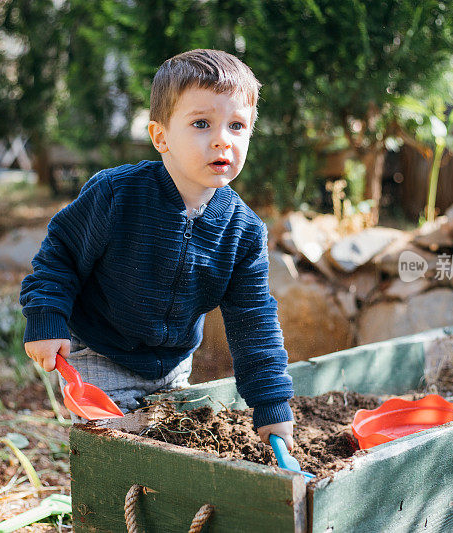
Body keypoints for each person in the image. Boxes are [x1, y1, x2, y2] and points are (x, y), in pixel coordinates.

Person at [20, 49, 295, 448]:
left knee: (172, 449)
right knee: (122, 449)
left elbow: (253, 320)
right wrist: (46, 315)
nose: (222, 139)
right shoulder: (117, 195)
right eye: (202, 123)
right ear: (160, 136)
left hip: (173, 364)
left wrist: (272, 406)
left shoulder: (244, 231)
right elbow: (59, 253)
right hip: (102, 351)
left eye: (237, 126)